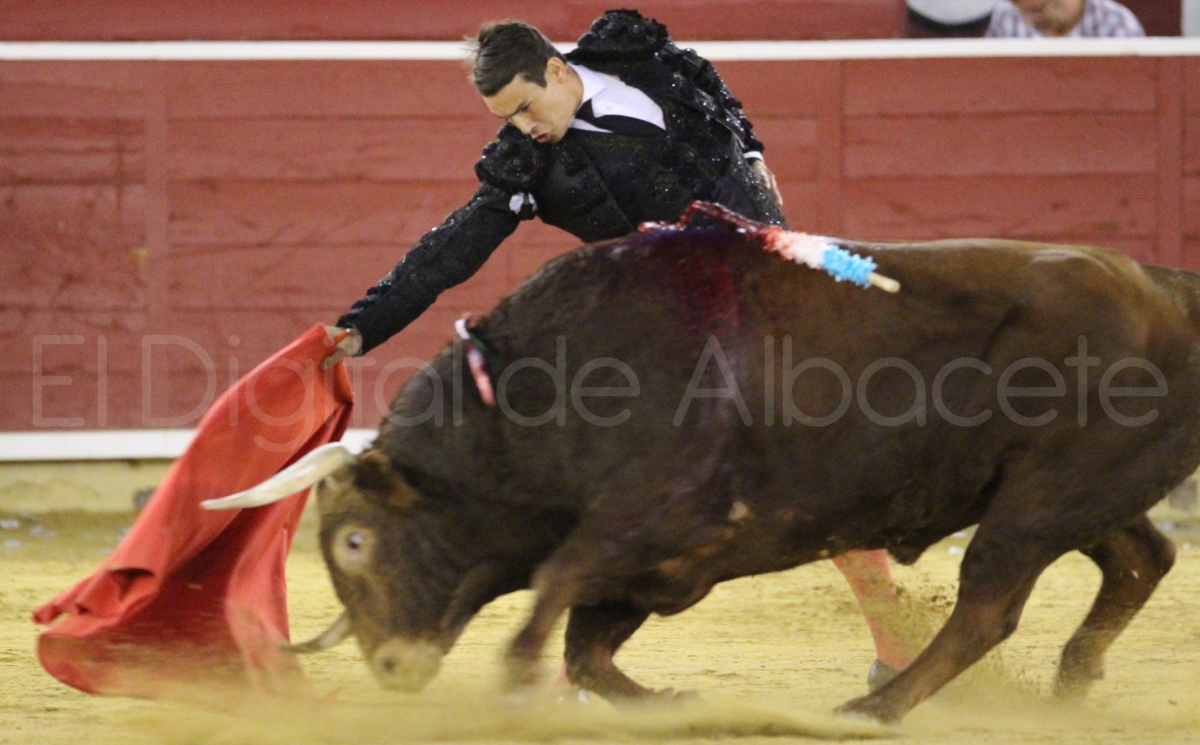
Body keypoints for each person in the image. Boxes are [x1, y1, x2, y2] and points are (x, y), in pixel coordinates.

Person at [325, 9, 916, 688]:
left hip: (782, 281)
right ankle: (573, 662)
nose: (524, 126)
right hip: (681, 329)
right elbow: (448, 252)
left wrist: (752, 154)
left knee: (823, 472)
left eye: (525, 106)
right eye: (508, 117)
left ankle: (896, 646)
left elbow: (711, 89)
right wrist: (364, 324)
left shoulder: (635, 55)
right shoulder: (530, 165)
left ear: (555, 69)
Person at [986, 0, 1144, 37]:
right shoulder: (1006, 17)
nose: (1027, 21)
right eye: (1022, 12)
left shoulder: (1116, 24)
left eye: (1038, 10)